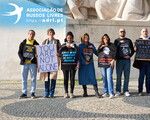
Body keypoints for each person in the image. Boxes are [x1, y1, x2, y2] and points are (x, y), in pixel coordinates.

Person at [78, 33, 101, 98]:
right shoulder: (80, 46)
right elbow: (79, 55)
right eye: (84, 37)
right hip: (83, 64)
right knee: (83, 77)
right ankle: (85, 92)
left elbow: (96, 53)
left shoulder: (91, 45)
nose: (86, 38)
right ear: (82, 38)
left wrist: (93, 48)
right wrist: (84, 61)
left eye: (87, 37)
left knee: (92, 77)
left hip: (90, 64)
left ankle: (96, 92)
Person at [18, 30, 39, 99]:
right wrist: (23, 59)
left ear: (34, 35)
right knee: (24, 79)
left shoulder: (36, 44)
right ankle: (24, 93)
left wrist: (37, 54)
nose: (31, 35)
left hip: (33, 64)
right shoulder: (23, 43)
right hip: (24, 64)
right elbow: (19, 53)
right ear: (28, 34)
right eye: (30, 34)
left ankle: (32, 92)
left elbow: (39, 54)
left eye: (33, 34)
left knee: (33, 78)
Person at [40, 28, 61, 98]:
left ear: (53, 33)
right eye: (49, 32)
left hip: (54, 62)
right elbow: (41, 51)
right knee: (46, 77)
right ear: (48, 34)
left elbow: (60, 50)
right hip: (46, 62)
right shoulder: (45, 41)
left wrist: (58, 53)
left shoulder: (57, 41)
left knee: (53, 77)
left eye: (52, 32)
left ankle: (52, 92)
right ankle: (46, 92)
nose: (51, 34)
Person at [59, 31, 80, 98]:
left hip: (73, 65)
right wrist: (65, 46)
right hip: (65, 65)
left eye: (70, 38)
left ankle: (71, 92)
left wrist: (78, 64)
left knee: (72, 79)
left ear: (72, 38)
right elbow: (59, 52)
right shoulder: (63, 45)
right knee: (65, 78)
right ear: (66, 38)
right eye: (68, 38)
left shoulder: (76, 47)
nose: (69, 39)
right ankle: (66, 92)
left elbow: (78, 56)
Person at [114, 28, 134, 97]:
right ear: (119, 32)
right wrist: (120, 43)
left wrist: (130, 56)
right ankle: (118, 91)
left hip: (127, 61)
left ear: (125, 32)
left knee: (127, 76)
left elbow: (133, 50)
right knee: (118, 76)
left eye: (123, 31)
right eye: (121, 31)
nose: (122, 32)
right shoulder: (116, 40)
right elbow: (114, 49)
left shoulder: (128, 40)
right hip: (119, 60)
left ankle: (126, 90)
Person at [97, 34, 116, 99]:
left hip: (109, 63)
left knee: (109, 77)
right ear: (102, 39)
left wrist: (113, 60)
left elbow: (115, 53)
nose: (105, 39)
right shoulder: (101, 46)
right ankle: (106, 92)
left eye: (106, 38)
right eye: (104, 38)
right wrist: (101, 47)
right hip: (102, 64)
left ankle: (111, 93)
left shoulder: (112, 45)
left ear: (108, 38)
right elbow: (97, 53)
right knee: (104, 78)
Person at [134, 28, 150, 96]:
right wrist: (134, 48)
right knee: (141, 76)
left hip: (149, 62)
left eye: (146, 31)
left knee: (149, 77)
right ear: (141, 33)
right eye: (143, 31)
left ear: (147, 32)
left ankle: (148, 90)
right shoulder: (138, 40)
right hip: (141, 62)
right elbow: (134, 49)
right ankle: (140, 90)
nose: (145, 32)